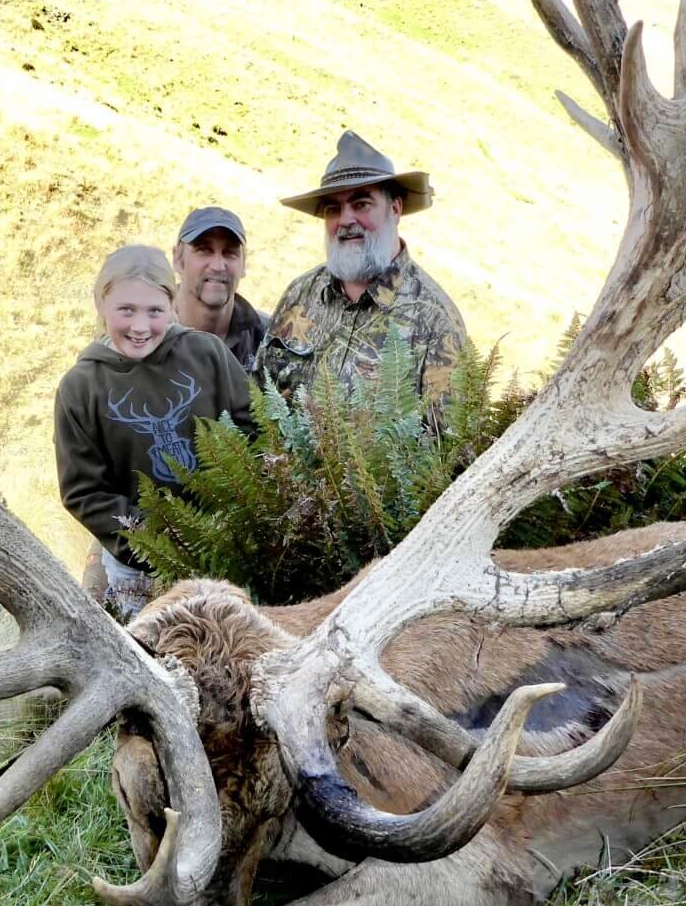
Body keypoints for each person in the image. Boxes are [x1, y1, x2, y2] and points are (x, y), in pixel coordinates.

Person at [56, 244, 255, 618]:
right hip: (139, 574)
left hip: (226, 554)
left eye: (155, 311)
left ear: (174, 305)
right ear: (100, 304)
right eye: (126, 310)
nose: (140, 326)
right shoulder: (80, 387)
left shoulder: (207, 354)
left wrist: (232, 520)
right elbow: (84, 491)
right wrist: (154, 540)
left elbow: (253, 430)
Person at [257, 130, 468, 401]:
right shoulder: (299, 296)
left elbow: (447, 441)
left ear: (395, 210)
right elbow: (259, 405)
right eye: (333, 209)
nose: (346, 220)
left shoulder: (436, 321)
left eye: (361, 204)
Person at [172, 206, 267, 371]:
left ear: (244, 264)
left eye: (229, 252)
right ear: (178, 260)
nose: (218, 266)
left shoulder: (266, 338)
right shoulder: (144, 334)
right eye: (204, 250)